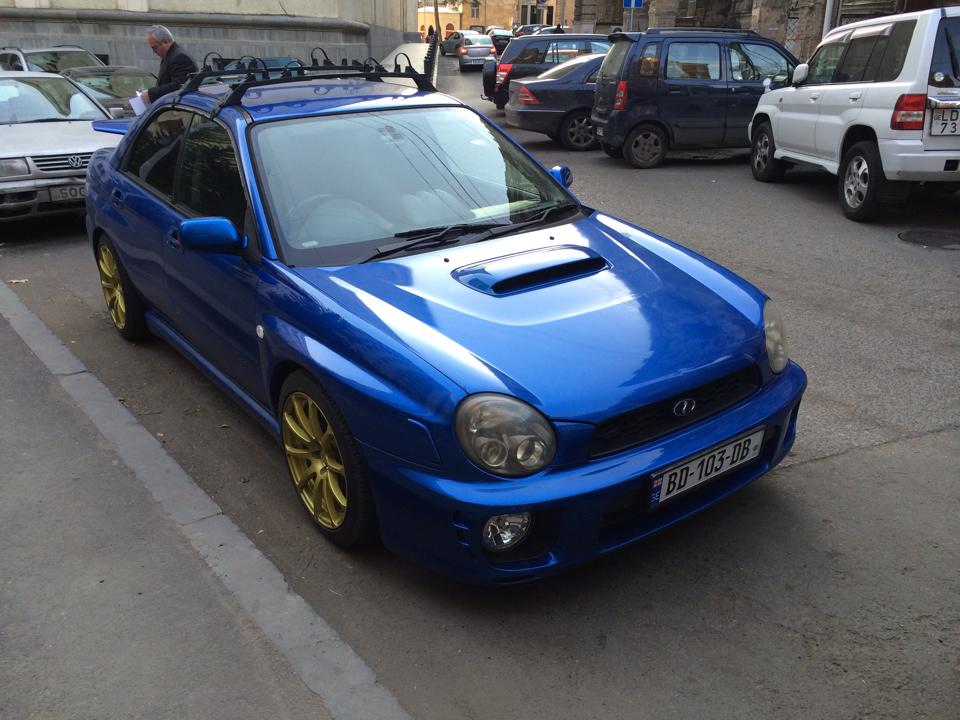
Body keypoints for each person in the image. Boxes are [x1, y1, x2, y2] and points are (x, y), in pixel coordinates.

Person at [138, 25, 197, 105]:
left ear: (165, 41)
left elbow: (178, 86)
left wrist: (150, 93)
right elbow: (166, 84)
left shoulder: (180, 57)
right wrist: (147, 92)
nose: (154, 52)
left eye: (155, 47)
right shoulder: (170, 56)